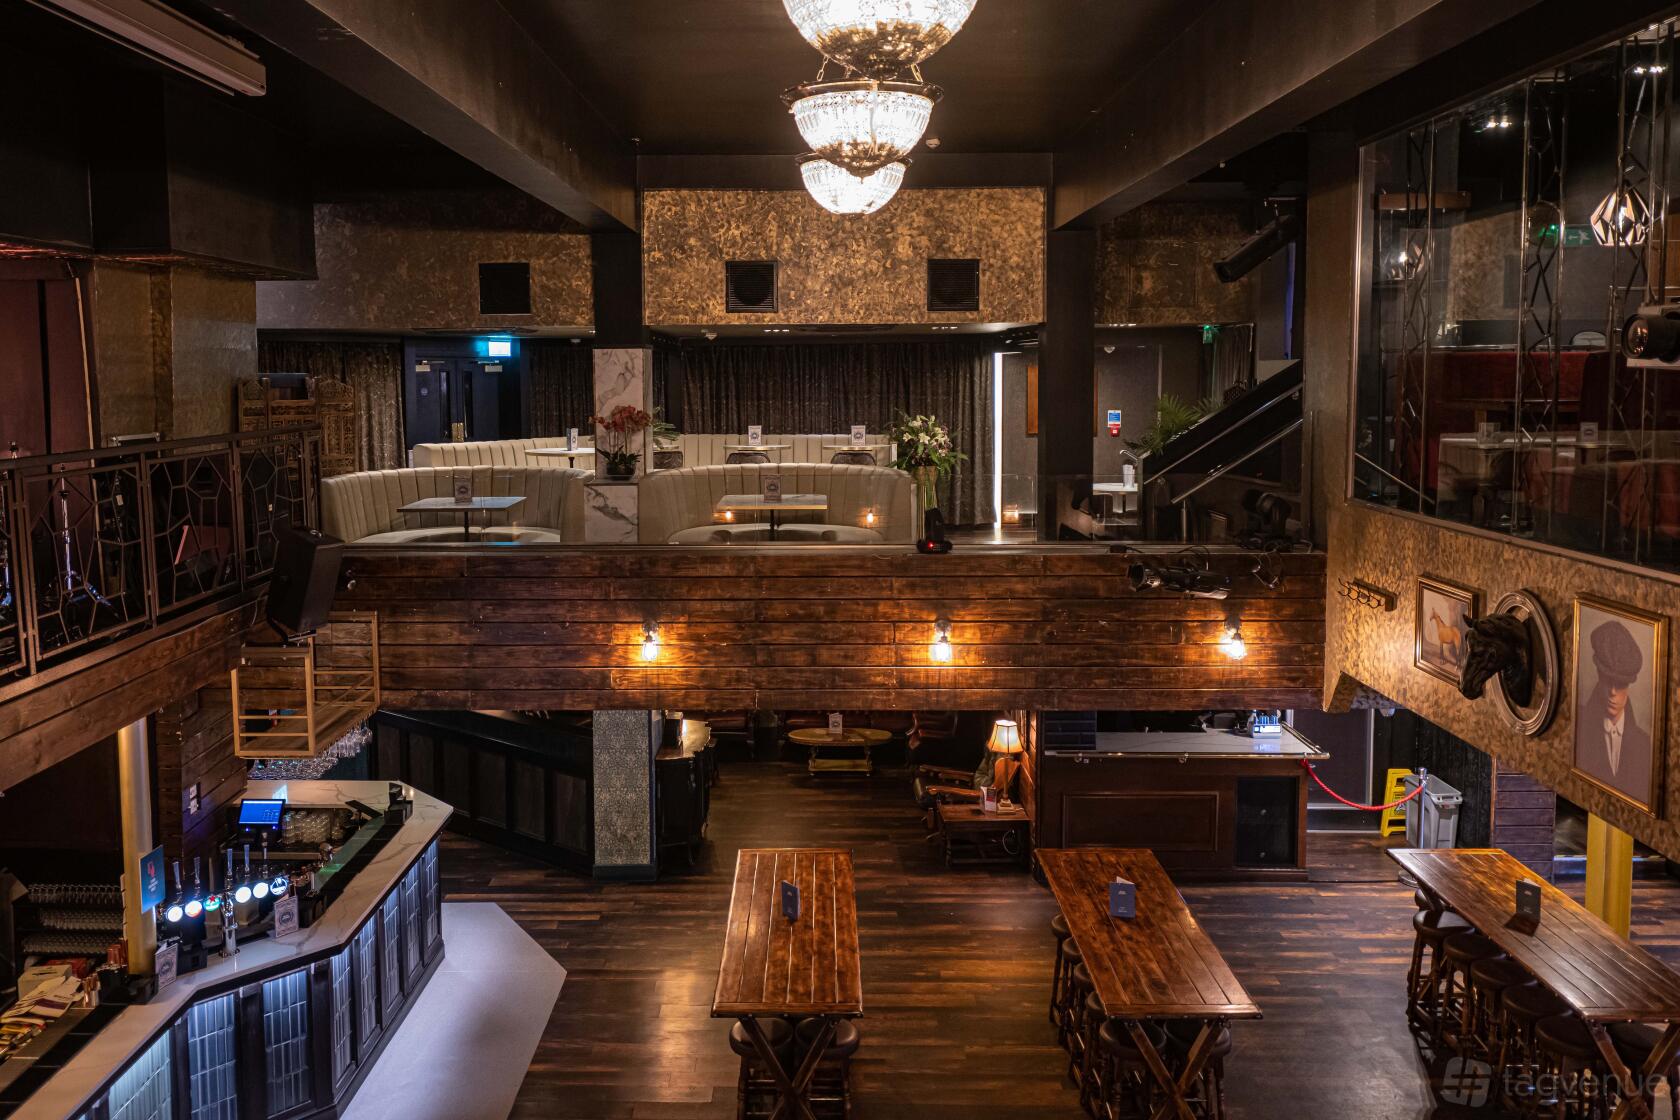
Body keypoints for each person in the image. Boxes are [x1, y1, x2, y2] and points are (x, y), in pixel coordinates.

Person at [1576, 619, 1652, 796]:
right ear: (1598, 675)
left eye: (1620, 684)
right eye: (1607, 680)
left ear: (1629, 685)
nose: (1612, 691)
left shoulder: (1644, 744)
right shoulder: (1578, 725)